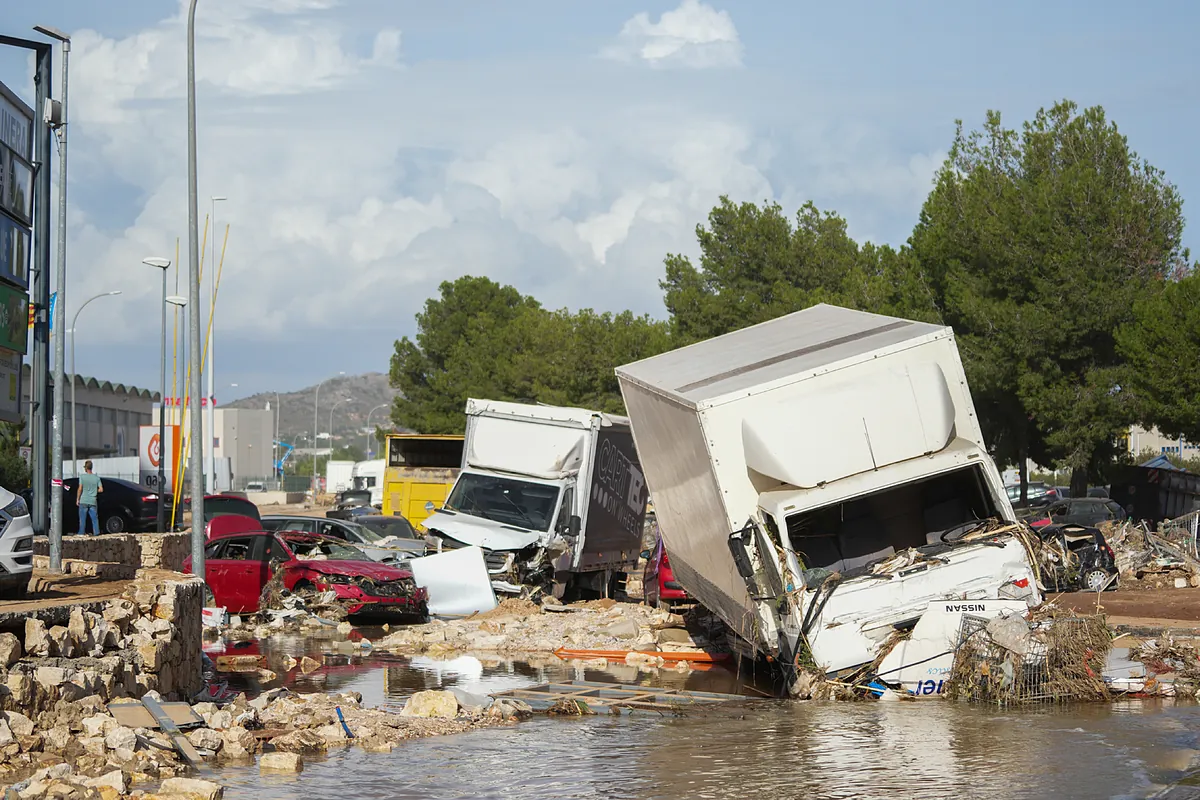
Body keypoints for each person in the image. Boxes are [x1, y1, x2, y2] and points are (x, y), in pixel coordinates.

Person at [77, 460, 103, 535]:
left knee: (82, 519)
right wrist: (95, 491)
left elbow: (80, 488)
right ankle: (96, 532)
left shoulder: (82, 477)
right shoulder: (96, 478)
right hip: (93, 500)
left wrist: (78, 499)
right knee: (94, 519)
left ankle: (81, 533)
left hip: (84, 500)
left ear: (85, 468)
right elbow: (101, 489)